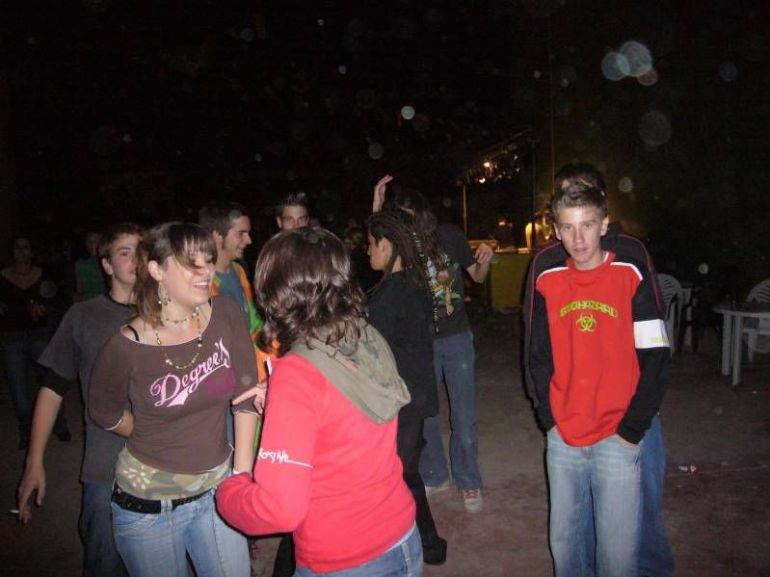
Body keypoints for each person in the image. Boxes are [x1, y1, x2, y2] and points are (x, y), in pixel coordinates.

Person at [216, 227, 422, 577]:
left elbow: (279, 510)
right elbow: (345, 414)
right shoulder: (363, 334)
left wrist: (230, 489)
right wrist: (284, 400)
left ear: (276, 291)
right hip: (401, 536)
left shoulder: (297, 375)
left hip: (344, 558)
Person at [523, 162, 674, 577]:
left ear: (603, 217)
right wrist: (549, 418)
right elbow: (536, 351)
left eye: (587, 223)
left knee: (623, 543)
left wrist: (633, 427)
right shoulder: (546, 269)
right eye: (568, 226)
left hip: (619, 428)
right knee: (567, 542)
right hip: (565, 432)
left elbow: (656, 352)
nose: (579, 238)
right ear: (556, 226)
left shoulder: (631, 261)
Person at [88, 222, 258, 577]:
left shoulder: (226, 312)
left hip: (217, 491)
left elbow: (245, 394)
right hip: (150, 506)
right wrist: (146, 433)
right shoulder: (125, 345)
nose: (205, 271)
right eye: (191, 263)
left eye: (208, 260)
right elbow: (103, 411)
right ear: (156, 270)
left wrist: (240, 476)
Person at [17, 222, 143, 577]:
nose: (135, 260)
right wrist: (34, 461)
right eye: (124, 252)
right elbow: (52, 389)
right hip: (106, 465)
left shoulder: (167, 314)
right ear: (106, 264)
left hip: (163, 461)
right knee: (104, 561)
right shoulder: (84, 316)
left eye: (141, 251)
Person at [373, 175, 493, 513]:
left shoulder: (449, 236)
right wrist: (376, 208)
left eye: (410, 217)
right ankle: (435, 474)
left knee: (463, 415)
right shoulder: (402, 246)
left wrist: (485, 260)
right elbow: (379, 251)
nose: (407, 225)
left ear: (423, 214)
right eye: (400, 219)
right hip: (422, 338)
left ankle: (468, 480)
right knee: (425, 412)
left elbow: (477, 276)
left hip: (456, 336)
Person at [366, 210, 447, 565]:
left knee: (400, 475)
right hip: (413, 396)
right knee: (405, 472)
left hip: (402, 400)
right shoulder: (411, 284)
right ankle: (429, 545)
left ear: (386, 245)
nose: (368, 251)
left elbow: (378, 351)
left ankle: (424, 545)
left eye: (371, 244)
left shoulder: (393, 292)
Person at [1, 236, 70, 449]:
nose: (22, 251)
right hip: (12, 337)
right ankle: (26, 431)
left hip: (39, 335)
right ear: (12, 252)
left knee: (51, 381)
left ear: (32, 251)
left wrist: (45, 309)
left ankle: (59, 423)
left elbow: (58, 300)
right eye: (17, 248)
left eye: (26, 247)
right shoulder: (3, 277)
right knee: (18, 390)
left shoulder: (43, 275)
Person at [74, 231, 107, 301]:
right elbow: (79, 289)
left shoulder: (110, 262)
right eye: (90, 242)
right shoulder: (81, 264)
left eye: (96, 241)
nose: (93, 245)